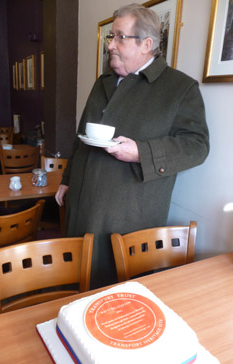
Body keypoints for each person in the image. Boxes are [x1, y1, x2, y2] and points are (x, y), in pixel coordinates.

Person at [55, 3, 209, 289]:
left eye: (119, 37)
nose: (110, 45)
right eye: (110, 37)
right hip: (82, 202)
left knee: (115, 290)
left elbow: (197, 146)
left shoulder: (180, 89)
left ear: (146, 44)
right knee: (75, 281)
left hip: (128, 214)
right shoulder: (103, 82)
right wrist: (67, 180)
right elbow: (80, 137)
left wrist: (141, 152)